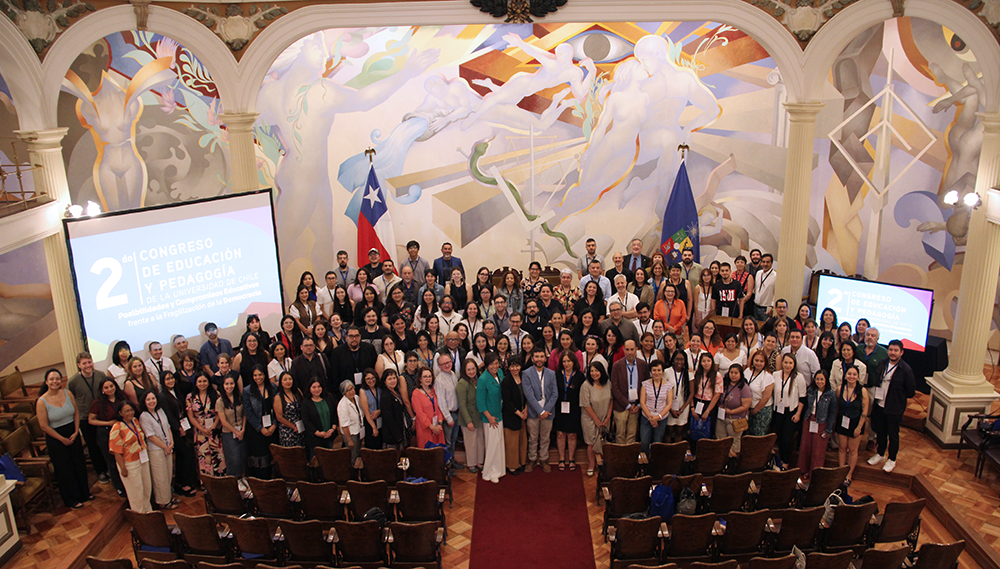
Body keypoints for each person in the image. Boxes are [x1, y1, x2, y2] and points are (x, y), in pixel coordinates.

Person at [37, 369, 92, 509]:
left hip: (73, 433)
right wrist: (62, 439)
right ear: (46, 382)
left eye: (57, 378)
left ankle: (84, 493)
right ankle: (72, 499)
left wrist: (76, 431)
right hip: (56, 438)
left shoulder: (67, 393)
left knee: (79, 464)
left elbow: (76, 413)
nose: (55, 381)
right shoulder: (41, 401)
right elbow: (44, 426)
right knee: (65, 469)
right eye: (52, 379)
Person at [867, 339, 916, 473]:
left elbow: (910, 391)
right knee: (880, 431)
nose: (892, 353)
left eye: (896, 350)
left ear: (901, 352)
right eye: (890, 350)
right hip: (879, 403)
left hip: (894, 408)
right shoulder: (882, 363)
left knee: (893, 434)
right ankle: (880, 454)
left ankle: (892, 459)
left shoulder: (906, 370)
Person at [67, 352, 111, 485]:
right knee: (93, 445)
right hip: (85, 417)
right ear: (79, 365)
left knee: (106, 442)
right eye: (84, 363)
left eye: (89, 362)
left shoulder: (100, 375)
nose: (87, 365)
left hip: (101, 415)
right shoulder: (73, 381)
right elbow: (71, 398)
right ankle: (101, 471)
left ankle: (110, 467)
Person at [158, 371, 198, 496]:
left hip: (184, 427)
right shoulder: (163, 396)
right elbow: (168, 415)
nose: (170, 381)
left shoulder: (176, 391)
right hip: (174, 431)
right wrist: (178, 427)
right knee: (185, 455)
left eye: (171, 378)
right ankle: (184, 484)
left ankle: (183, 483)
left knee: (184, 456)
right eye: (167, 379)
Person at [109, 400, 152, 512]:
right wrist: (123, 468)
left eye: (131, 410)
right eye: (126, 411)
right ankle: (140, 519)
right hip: (129, 463)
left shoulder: (135, 421)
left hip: (142, 458)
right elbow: (116, 451)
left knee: (146, 489)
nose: (130, 413)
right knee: (136, 493)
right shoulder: (117, 427)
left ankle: (149, 514)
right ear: (120, 413)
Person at [139, 391, 178, 509]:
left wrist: (171, 443)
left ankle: (169, 497)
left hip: (167, 447)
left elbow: (168, 427)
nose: (151, 401)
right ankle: (163, 501)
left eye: (153, 398)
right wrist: (165, 447)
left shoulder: (160, 411)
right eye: (148, 399)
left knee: (168, 474)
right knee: (160, 476)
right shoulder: (143, 416)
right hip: (156, 449)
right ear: (144, 402)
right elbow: (150, 436)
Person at [90, 378, 127, 496]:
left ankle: (127, 483)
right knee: (112, 462)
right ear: (102, 390)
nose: (109, 389)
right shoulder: (98, 402)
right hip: (106, 433)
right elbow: (91, 420)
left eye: (111, 386)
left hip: (122, 432)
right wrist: (108, 423)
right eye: (106, 388)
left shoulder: (121, 398)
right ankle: (119, 486)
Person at [522, 348, 557, 473]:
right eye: (536, 356)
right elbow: (528, 395)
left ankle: (543, 459)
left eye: (541, 356)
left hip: (548, 411)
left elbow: (555, 394)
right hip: (533, 412)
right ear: (532, 359)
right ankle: (531, 459)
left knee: (545, 437)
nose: (539, 359)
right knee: (533, 437)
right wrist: (540, 411)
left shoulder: (551, 373)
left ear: (545, 358)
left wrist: (546, 410)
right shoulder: (526, 373)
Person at [799, 370, 837, 478]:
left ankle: (814, 474)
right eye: (817, 379)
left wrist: (829, 429)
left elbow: (832, 413)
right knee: (805, 447)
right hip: (808, 421)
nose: (819, 381)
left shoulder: (831, 394)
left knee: (818, 450)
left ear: (826, 380)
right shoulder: (811, 390)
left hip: (822, 423)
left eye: (822, 379)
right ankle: (804, 471)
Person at [610, 340, 649, 444]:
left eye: (632, 349)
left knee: (632, 435)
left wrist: (640, 404)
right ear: (623, 350)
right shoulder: (617, 366)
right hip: (621, 406)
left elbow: (646, 386)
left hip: (636, 405)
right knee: (620, 435)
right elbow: (615, 388)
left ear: (636, 349)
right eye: (627, 350)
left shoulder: (643, 365)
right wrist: (627, 404)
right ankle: (620, 457)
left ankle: (629, 459)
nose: (630, 352)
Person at [242, 365, 276, 479]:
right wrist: (260, 428)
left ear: (265, 375)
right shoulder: (247, 391)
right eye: (255, 375)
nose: (258, 377)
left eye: (260, 374)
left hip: (272, 427)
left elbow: (278, 408)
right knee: (260, 457)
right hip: (256, 430)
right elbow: (248, 412)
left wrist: (274, 425)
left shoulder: (273, 388)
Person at [836, 366, 869, 485]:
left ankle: (849, 475)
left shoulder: (863, 391)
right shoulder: (840, 389)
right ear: (845, 375)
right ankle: (841, 472)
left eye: (854, 374)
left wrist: (859, 427)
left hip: (856, 423)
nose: (851, 376)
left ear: (858, 377)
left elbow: (865, 412)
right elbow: (838, 407)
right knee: (842, 448)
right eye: (849, 374)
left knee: (853, 450)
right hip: (842, 422)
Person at [188, 373, 225, 476]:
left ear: (208, 382)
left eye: (204, 381)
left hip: (215, 431)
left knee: (219, 457)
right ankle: (207, 487)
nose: (202, 384)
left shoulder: (216, 394)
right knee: (204, 460)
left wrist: (213, 427)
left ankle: (221, 484)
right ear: (195, 383)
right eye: (199, 381)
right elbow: (191, 417)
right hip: (200, 433)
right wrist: (202, 429)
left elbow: (220, 413)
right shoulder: (190, 397)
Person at [772, 353, 806, 466]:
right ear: (782, 363)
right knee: (780, 437)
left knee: (787, 439)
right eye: (786, 362)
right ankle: (780, 461)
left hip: (791, 412)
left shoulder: (798, 377)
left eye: (790, 363)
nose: (788, 365)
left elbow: (802, 397)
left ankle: (786, 462)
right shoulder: (775, 375)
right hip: (778, 411)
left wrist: (798, 413)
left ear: (794, 364)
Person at [580, 362, 613, 476]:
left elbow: (611, 400)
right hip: (590, 419)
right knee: (591, 443)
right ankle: (592, 465)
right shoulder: (586, 385)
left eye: (596, 371)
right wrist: (596, 421)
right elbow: (586, 405)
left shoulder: (608, 383)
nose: (594, 373)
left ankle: (604, 465)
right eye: (592, 371)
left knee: (604, 442)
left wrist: (608, 417)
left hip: (605, 418)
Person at [477, 353, 506, 483]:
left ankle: (499, 469)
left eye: (496, 363)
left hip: (499, 413)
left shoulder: (500, 372)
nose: (494, 366)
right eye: (491, 364)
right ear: (486, 365)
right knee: (492, 445)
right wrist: (489, 417)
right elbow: (480, 402)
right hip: (490, 418)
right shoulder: (483, 379)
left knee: (498, 443)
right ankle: (490, 470)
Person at [553, 352, 583, 471]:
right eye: (564, 361)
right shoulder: (556, 375)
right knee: (560, 434)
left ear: (574, 362)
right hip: (559, 407)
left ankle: (571, 459)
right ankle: (561, 458)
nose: (566, 364)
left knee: (572, 434)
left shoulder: (580, 376)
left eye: (569, 361)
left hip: (574, 408)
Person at [501, 355, 528, 475]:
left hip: (523, 413)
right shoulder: (506, 381)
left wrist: (526, 409)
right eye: (512, 366)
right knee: (512, 443)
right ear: (508, 367)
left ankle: (521, 462)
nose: (515, 368)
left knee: (522, 441)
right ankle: (512, 466)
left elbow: (527, 395)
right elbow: (507, 401)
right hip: (511, 415)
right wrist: (518, 412)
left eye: (517, 365)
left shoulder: (524, 377)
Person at [638, 359, 673, 453]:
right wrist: (651, 417)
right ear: (651, 371)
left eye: (659, 370)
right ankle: (644, 463)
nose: (656, 373)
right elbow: (642, 402)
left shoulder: (668, 386)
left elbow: (669, 404)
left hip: (661, 418)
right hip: (647, 417)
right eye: (654, 370)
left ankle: (655, 463)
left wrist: (658, 417)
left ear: (662, 371)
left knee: (657, 442)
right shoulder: (645, 384)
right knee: (644, 441)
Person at [457, 359, 484, 472]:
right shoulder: (462, 383)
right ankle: (471, 463)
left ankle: (479, 461)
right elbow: (462, 405)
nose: (472, 371)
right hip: (468, 417)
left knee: (480, 440)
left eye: (473, 368)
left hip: (479, 416)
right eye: (469, 369)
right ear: (464, 370)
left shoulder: (478, 380)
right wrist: (468, 421)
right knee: (470, 442)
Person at [332, 326, 379, 392]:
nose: (354, 339)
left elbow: (374, 368)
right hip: (347, 389)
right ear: (346, 337)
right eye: (351, 336)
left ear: (360, 336)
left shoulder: (369, 348)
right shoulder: (337, 352)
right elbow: (335, 374)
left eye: (356, 336)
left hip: (367, 387)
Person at [434, 353, 461, 465]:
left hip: (456, 413)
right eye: (443, 364)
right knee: (448, 442)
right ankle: (447, 465)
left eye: (448, 362)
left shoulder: (453, 374)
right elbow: (441, 402)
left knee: (453, 440)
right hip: (448, 416)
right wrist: (448, 418)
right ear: (439, 366)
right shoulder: (439, 381)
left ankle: (452, 461)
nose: (447, 365)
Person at [718, 364, 752, 455]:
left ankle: (733, 462)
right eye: (731, 372)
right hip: (722, 417)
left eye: (736, 373)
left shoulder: (744, 387)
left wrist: (732, 412)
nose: (733, 375)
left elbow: (746, 406)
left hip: (736, 419)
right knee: (721, 440)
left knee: (734, 442)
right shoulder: (725, 383)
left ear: (740, 374)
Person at [215, 375, 245, 477]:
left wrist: (243, 430)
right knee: (233, 460)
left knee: (242, 458)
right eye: (226, 384)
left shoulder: (240, 397)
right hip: (229, 433)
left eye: (231, 383)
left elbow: (244, 414)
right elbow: (223, 421)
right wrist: (236, 432)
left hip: (242, 432)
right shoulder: (220, 401)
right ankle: (233, 483)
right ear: (223, 385)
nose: (229, 386)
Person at [301, 378, 338, 456]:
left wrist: (333, 429)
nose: (317, 389)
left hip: (329, 435)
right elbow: (306, 421)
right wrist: (318, 433)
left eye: (319, 386)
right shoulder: (306, 403)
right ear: (309, 389)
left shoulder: (329, 397)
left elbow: (334, 414)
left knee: (328, 459)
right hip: (314, 439)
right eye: (314, 387)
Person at [412, 366, 446, 448]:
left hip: (437, 427)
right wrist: (432, 427)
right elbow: (420, 414)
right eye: (425, 377)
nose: (428, 379)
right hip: (426, 429)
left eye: (429, 376)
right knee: (427, 454)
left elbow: (439, 407)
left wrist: (439, 424)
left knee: (439, 452)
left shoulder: (433, 390)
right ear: (420, 379)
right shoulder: (416, 393)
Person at [691, 352, 722, 440]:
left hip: (710, 405)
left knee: (707, 431)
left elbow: (717, 395)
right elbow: (691, 392)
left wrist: (707, 411)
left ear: (712, 362)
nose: (706, 363)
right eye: (704, 361)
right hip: (697, 402)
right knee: (695, 429)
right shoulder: (696, 374)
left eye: (708, 361)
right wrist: (692, 408)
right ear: (700, 362)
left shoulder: (717, 375)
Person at [745, 350, 775, 437]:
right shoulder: (747, 371)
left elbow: (766, 398)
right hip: (747, 408)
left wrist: (755, 410)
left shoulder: (768, 376)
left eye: (761, 361)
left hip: (762, 410)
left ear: (765, 362)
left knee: (758, 436)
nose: (758, 363)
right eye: (756, 360)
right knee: (747, 434)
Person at [665, 351, 692, 442]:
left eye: (682, 359)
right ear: (673, 360)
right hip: (669, 406)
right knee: (668, 431)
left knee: (679, 432)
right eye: (677, 359)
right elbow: (663, 391)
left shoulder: (689, 373)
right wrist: (670, 409)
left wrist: (682, 409)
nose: (679, 362)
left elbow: (691, 393)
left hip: (683, 406)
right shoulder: (667, 372)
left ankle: (677, 454)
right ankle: (667, 452)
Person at [274, 371, 305, 447]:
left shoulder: (298, 392)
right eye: (285, 379)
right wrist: (293, 427)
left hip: (301, 427)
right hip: (287, 430)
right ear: (280, 382)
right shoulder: (278, 397)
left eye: (290, 379)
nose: (288, 382)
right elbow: (279, 417)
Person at [337, 381, 365, 464]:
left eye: (352, 388)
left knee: (359, 452)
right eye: (347, 390)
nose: (351, 392)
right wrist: (349, 440)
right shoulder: (342, 405)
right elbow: (344, 426)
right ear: (344, 392)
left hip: (358, 430)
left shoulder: (356, 397)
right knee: (353, 454)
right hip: (350, 434)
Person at [358, 369, 383, 449]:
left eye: (372, 378)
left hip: (381, 418)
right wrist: (374, 427)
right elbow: (366, 412)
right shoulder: (363, 391)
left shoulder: (379, 388)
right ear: (364, 380)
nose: (371, 380)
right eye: (368, 379)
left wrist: (379, 411)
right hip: (370, 421)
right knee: (372, 445)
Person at [752, 253, 776, 321]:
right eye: (763, 262)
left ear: (771, 263)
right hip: (756, 306)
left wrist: (772, 308)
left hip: (766, 308)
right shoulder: (759, 273)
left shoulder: (775, 276)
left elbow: (775, 293)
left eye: (768, 262)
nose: (765, 264)